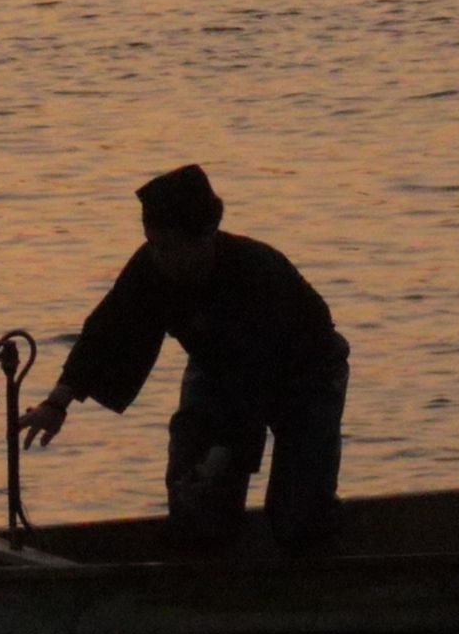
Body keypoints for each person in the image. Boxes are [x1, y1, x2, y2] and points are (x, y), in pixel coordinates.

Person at [17, 164, 353, 556]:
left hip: (304, 374)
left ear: (207, 236)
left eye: (170, 247)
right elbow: (107, 330)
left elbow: (254, 384)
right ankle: (204, 581)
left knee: (299, 513)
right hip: (213, 367)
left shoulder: (256, 275)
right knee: (195, 500)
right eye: (153, 245)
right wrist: (57, 402)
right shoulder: (152, 265)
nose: (160, 258)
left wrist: (221, 457)